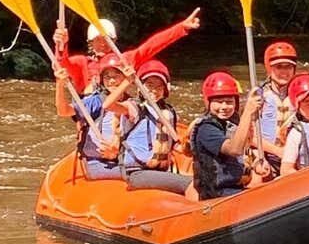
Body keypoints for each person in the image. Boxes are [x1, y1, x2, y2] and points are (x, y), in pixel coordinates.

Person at [53, 8, 201, 94]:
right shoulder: (82, 63)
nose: (103, 43)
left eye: (107, 39)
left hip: (118, 114)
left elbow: (152, 45)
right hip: (92, 117)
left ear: (114, 40)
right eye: (99, 39)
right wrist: (61, 45)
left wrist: (182, 27)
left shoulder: (124, 59)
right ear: (90, 42)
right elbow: (61, 66)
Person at [104, 59, 193, 193]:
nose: (154, 90)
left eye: (159, 86)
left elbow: (172, 144)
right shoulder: (134, 107)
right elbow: (108, 105)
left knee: (202, 180)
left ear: (165, 90)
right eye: (149, 85)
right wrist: (127, 81)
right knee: (191, 184)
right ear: (141, 87)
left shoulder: (168, 112)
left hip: (160, 170)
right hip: (138, 172)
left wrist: (187, 148)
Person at [189, 71, 270, 200]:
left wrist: (256, 164)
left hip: (236, 189)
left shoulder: (232, 125)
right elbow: (234, 149)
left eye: (229, 102)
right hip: (217, 194)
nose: (224, 107)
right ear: (208, 103)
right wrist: (248, 111)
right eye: (219, 102)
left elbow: (244, 154)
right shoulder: (206, 129)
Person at [54, 54, 130, 180]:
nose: (111, 81)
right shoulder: (96, 101)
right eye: (107, 77)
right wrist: (60, 85)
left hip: (123, 159)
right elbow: (64, 111)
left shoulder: (134, 102)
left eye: (116, 76)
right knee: (138, 174)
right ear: (102, 80)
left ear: (125, 77)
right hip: (97, 162)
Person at [258, 41, 298, 175]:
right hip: (266, 155)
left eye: (288, 67)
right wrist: (278, 151)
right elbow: (249, 136)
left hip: (294, 158)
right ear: (270, 69)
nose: (284, 72)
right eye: (279, 67)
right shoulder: (259, 96)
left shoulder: (301, 93)